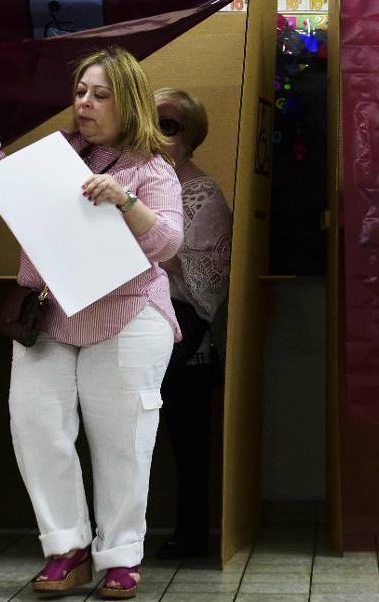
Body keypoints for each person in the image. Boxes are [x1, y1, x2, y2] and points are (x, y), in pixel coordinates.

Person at [0, 47, 183, 599]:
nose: (85, 102)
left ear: (127, 102)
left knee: (123, 439)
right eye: (81, 91)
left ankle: (123, 556)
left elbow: (169, 242)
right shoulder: (57, 155)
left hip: (127, 313)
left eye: (100, 94)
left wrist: (125, 200)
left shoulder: (151, 169)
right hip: (52, 314)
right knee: (35, 427)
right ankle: (68, 548)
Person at [152, 87, 232, 559]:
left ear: (190, 136)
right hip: (133, 322)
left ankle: (192, 531)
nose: (159, 132)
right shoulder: (131, 179)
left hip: (185, 332)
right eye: (151, 119)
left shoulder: (201, 193)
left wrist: (155, 245)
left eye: (170, 124)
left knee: (188, 442)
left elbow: (209, 287)